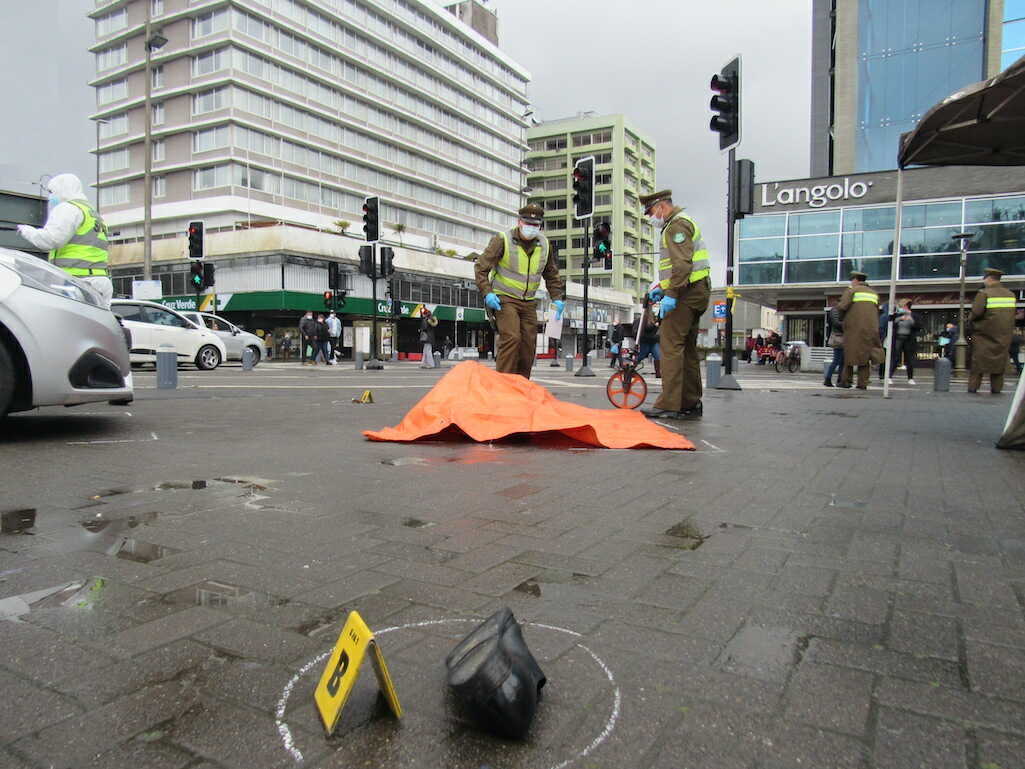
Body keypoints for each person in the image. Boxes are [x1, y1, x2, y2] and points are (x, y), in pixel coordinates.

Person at [638, 190, 711, 420]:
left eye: (650, 212)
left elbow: (682, 266)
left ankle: (669, 404)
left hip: (685, 294)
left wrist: (670, 294)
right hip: (696, 290)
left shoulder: (675, 226)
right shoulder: (683, 222)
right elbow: (681, 267)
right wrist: (663, 286)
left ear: (661, 206)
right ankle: (690, 401)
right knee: (687, 349)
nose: (651, 217)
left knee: (670, 346)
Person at [474, 204, 566, 379]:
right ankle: (503, 385)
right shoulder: (502, 239)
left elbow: (551, 274)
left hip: (529, 302)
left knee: (528, 345)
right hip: (504, 299)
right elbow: (480, 268)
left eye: (535, 224)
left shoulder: (545, 245)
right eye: (527, 222)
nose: (531, 227)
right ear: (519, 221)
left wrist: (557, 298)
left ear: (540, 225)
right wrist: (487, 293)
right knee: (512, 338)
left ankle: (521, 385)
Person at [16, 173, 112, 308]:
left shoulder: (68, 208)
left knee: (67, 326)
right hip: (99, 281)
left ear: (62, 190)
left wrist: (27, 231)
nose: (50, 197)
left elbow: (51, 240)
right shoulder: (92, 213)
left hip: (78, 282)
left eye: (52, 192)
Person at [967, 268, 1016, 394]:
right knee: (999, 365)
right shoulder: (1010, 294)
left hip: (984, 335)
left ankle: (973, 388)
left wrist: (970, 320)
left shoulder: (984, 293)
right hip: (1003, 336)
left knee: (978, 364)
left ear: (989, 278)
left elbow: (976, 313)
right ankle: (996, 389)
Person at [836, 271, 884, 390]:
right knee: (865, 357)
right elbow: (879, 310)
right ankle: (862, 383)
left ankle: (846, 381)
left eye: (852, 280)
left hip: (854, 328)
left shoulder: (852, 291)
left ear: (856, 280)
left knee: (850, 355)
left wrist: (842, 320)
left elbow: (842, 307)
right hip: (871, 329)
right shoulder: (874, 293)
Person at [887, 299, 920, 385]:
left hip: (909, 339)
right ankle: (889, 377)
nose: (902, 308)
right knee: (895, 357)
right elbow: (891, 322)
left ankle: (910, 378)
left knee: (909, 359)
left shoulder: (914, 315)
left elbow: (918, 326)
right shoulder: (897, 315)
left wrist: (911, 320)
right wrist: (899, 318)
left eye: (903, 306)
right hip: (898, 338)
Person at [823, 297, 845, 387]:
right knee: (837, 360)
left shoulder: (838, 310)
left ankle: (839, 380)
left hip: (841, 338)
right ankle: (828, 379)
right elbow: (836, 323)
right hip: (838, 338)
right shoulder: (835, 310)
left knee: (842, 361)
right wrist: (847, 324)